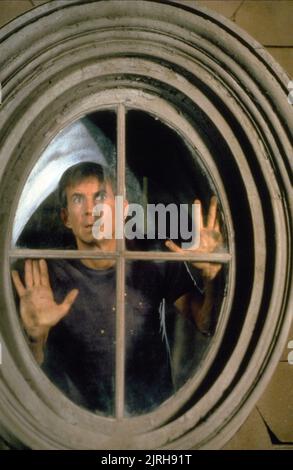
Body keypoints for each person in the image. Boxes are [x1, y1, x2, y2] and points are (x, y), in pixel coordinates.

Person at [12, 161, 222, 416]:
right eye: (78, 199)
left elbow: (206, 323)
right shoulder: (45, 278)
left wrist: (212, 277)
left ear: (123, 209)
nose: (91, 210)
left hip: (155, 421)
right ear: (66, 218)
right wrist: (33, 337)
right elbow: (25, 375)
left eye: (100, 196)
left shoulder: (153, 256)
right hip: (74, 426)